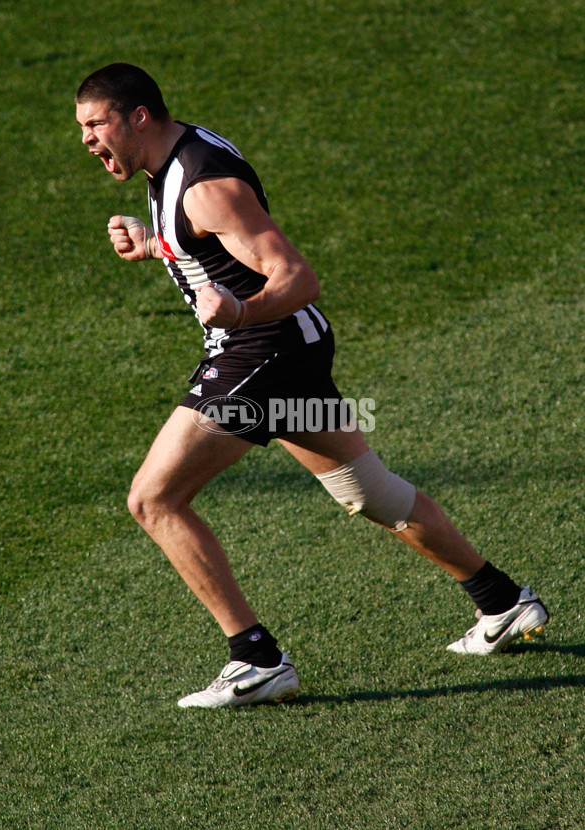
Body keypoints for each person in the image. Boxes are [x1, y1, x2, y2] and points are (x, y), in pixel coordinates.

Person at [75, 63, 549, 708]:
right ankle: (503, 601)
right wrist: (155, 245)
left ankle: (256, 659)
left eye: (95, 124)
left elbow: (296, 276)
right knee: (371, 493)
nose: (86, 140)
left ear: (138, 116)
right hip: (289, 349)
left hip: (262, 348)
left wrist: (240, 314)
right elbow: (213, 249)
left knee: (153, 499)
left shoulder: (204, 186)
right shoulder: (174, 162)